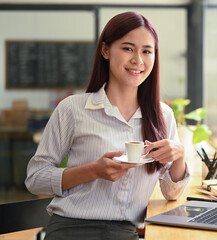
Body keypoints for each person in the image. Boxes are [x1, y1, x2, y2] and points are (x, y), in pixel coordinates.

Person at [25, 11, 190, 240]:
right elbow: (35, 179)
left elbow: (172, 194)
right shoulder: (72, 109)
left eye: (146, 51)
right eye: (128, 48)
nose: (138, 60)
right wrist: (93, 171)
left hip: (126, 232)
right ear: (105, 51)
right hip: (71, 229)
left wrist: (179, 155)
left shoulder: (163, 115)